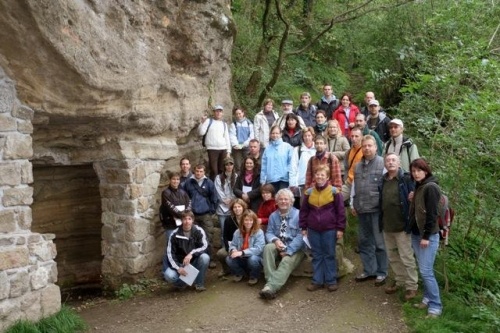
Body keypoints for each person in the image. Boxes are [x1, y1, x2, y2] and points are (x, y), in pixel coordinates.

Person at [300, 165, 346, 292]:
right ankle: (317, 280)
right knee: (316, 254)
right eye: (317, 174)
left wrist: (340, 229)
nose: (319, 177)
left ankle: (331, 280)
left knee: (329, 254)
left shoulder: (335, 192)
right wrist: (303, 227)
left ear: (327, 177)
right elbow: (304, 211)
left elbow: (341, 212)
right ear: (314, 176)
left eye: (322, 175)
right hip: (313, 229)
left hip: (330, 229)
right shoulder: (309, 192)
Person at [379, 154, 418, 300]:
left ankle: (412, 286)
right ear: (385, 164)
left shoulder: (406, 179)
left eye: (393, 160)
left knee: (406, 257)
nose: (390, 163)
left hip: (403, 225)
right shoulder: (383, 180)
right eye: (388, 161)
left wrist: (414, 197)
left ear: (399, 162)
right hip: (387, 225)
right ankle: (400, 281)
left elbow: (418, 194)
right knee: (393, 257)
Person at [351, 135, 388, 286]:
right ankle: (369, 270)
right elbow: (354, 186)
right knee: (364, 241)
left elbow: (387, 187)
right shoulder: (358, 166)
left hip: (376, 210)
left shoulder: (382, 164)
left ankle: (382, 272)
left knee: (379, 243)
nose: (367, 148)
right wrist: (353, 205)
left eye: (369, 146)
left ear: (375, 147)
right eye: (364, 146)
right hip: (361, 209)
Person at [409, 158, 443, 318]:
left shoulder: (431, 187)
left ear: (426, 170)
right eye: (413, 171)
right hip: (417, 234)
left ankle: (435, 306)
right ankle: (428, 298)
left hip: (427, 236)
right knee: (423, 270)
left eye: (419, 170)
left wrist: (426, 236)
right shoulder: (419, 186)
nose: (416, 174)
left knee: (426, 271)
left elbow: (432, 215)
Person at [259, 189, 306, 299]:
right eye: (281, 199)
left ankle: (270, 287)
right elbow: (269, 232)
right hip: (279, 244)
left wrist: (288, 250)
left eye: (286, 199)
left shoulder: (299, 215)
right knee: (268, 248)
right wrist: (275, 240)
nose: (283, 201)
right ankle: (270, 284)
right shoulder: (273, 216)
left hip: (295, 248)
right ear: (276, 202)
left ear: (291, 201)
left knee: (286, 260)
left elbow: (301, 236)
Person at [163, 211, 210, 292]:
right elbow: (170, 253)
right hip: (180, 264)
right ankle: (182, 283)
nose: (187, 221)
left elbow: (204, 246)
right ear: (181, 220)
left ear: (193, 220)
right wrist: (178, 268)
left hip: (193, 262)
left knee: (205, 257)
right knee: (169, 275)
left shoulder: (198, 231)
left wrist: (191, 254)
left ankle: (199, 284)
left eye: (189, 219)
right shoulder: (174, 234)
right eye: (184, 219)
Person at [183, 164, 218, 268]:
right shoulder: (189, 182)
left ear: (204, 172)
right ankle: (195, 260)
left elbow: (214, 197)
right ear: (194, 171)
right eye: (197, 171)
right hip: (193, 215)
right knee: (193, 238)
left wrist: (211, 210)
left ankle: (210, 259)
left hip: (206, 214)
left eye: (201, 171)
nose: (198, 173)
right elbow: (185, 197)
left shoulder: (209, 183)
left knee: (208, 236)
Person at [160, 172, 192, 271]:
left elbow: (189, 204)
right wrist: (184, 216)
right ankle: (166, 270)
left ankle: (181, 268)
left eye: (178, 179)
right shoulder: (165, 193)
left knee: (182, 247)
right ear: (170, 180)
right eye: (173, 179)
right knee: (170, 247)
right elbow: (170, 207)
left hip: (182, 224)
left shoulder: (183, 192)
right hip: (170, 224)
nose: (176, 181)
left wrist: (185, 216)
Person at [226, 210, 265, 285]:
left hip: (254, 257)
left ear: (254, 221)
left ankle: (254, 276)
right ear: (242, 221)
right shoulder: (237, 232)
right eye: (246, 220)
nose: (248, 222)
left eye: (251, 220)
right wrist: (233, 250)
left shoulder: (259, 232)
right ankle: (241, 273)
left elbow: (258, 249)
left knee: (252, 259)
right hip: (241, 257)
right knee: (229, 259)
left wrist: (242, 252)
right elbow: (232, 244)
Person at [216, 199, 248, 278]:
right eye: (235, 207)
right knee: (221, 253)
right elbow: (225, 236)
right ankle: (226, 269)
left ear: (243, 207)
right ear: (232, 209)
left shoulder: (248, 218)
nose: (237, 209)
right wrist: (229, 249)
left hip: (246, 245)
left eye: (239, 207)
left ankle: (244, 270)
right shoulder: (228, 220)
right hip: (233, 245)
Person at [198, 105, 231, 180]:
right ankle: (213, 187)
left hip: (223, 149)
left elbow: (227, 138)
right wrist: (202, 123)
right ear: (214, 112)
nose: (218, 113)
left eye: (220, 111)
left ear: (222, 113)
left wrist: (228, 151)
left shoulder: (224, 124)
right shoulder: (209, 121)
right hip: (212, 149)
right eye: (217, 111)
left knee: (222, 169)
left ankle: (221, 186)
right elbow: (201, 133)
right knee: (214, 170)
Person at [260, 125, 294, 193]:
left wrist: (288, 174)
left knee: (282, 199)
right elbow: (264, 166)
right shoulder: (267, 149)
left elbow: (291, 163)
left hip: (284, 180)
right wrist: (262, 180)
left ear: (281, 134)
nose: (275, 135)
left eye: (277, 133)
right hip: (271, 180)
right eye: (273, 133)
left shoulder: (287, 147)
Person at [289, 127, 316, 208]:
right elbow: (293, 167)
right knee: (303, 206)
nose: (307, 138)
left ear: (312, 136)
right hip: (302, 183)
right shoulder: (298, 150)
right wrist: (292, 184)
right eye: (305, 136)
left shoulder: (317, 148)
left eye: (309, 135)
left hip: (316, 182)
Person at [214, 157, 238, 250]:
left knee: (233, 229)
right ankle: (224, 248)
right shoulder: (218, 177)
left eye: (231, 164)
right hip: (222, 208)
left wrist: (232, 200)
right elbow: (218, 190)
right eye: (227, 164)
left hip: (233, 207)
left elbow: (236, 189)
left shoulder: (236, 176)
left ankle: (233, 247)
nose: (229, 166)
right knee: (223, 230)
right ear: (224, 166)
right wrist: (224, 200)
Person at [229, 106, 254, 174]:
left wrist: (243, 145)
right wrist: (236, 144)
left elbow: (251, 136)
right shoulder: (233, 124)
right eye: (236, 114)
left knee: (249, 163)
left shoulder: (249, 123)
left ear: (243, 113)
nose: (238, 115)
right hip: (236, 148)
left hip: (247, 147)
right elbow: (232, 135)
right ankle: (239, 180)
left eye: (239, 113)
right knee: (238, 165)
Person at [341, 127, 364, 202]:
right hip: (349, 183)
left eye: (356, 136)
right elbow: (347, 167)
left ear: (361, 137)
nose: (354, 138)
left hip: (360, 185)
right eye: (352, 136)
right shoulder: (349, 152)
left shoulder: (365, 151)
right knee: (335, 199)